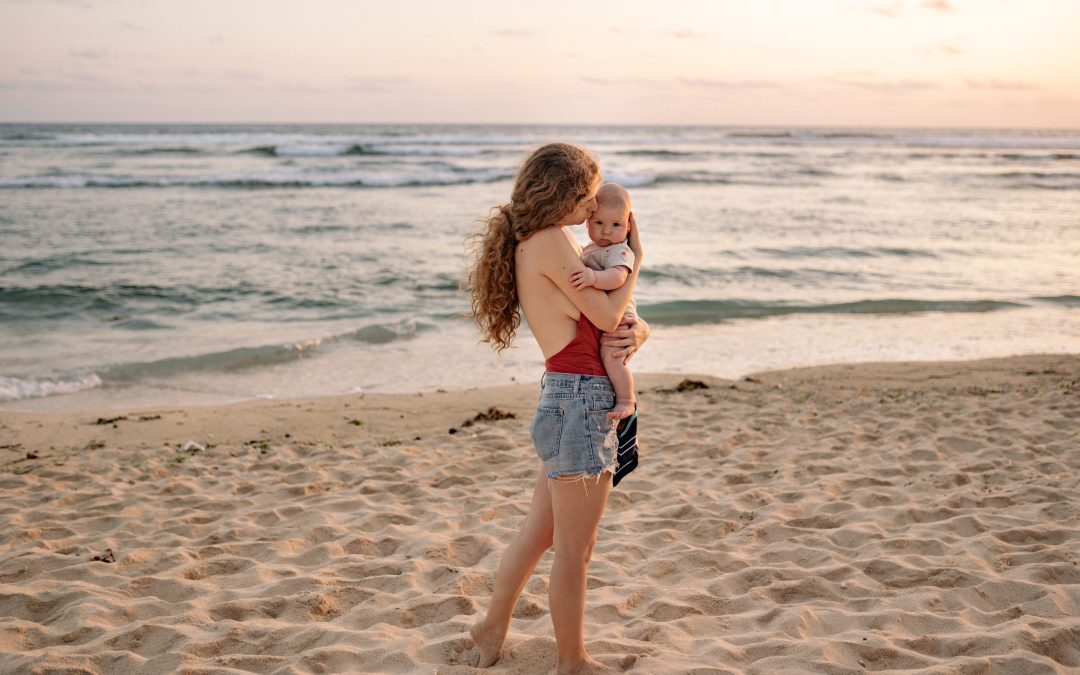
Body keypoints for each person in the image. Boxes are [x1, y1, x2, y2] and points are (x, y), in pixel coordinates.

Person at [463, 142, 649, 672]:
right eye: (588, 196)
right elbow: (608, 317)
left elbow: (612, 322)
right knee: (574, 550)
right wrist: (638, 261)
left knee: (540, 534)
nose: (594, 207)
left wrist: (640, 329)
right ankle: (572, 661)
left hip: (566, 397)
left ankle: (491, 628)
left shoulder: (549, 240)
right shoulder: (549, 242)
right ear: (562, 193)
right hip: (581, 404)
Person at [569, 182, 637, 421]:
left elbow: (618, 277)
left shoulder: (620, 251)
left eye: (616, 225)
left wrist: (593, 278)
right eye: (599, 223)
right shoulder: (591, 248)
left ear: (628, 226)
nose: (606, 231)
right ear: (587, 223)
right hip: (607, 310)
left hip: (621, 314)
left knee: (612, 355)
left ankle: (627, 400)